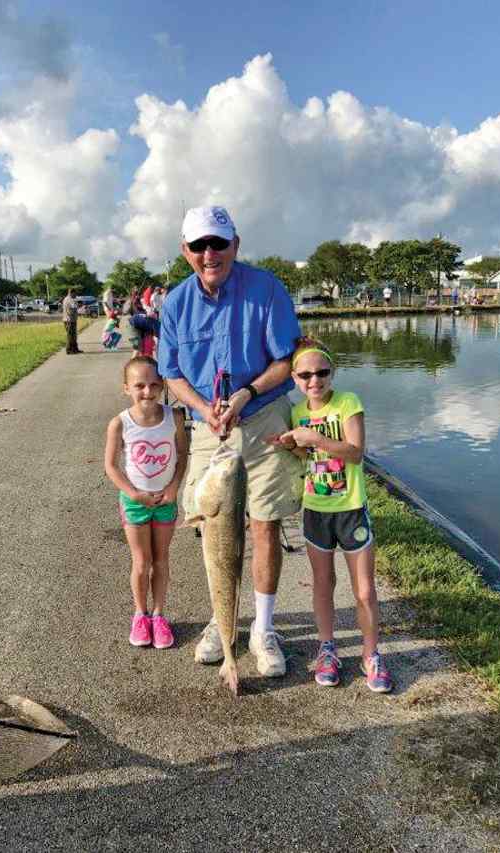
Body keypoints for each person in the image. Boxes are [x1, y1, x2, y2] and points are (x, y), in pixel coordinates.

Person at [157, 205, 303, 678]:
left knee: (263, 523)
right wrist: (203, 410)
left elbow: (286, 361)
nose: (209, 253)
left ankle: (262, 627)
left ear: (235, 244)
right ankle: (222, 627)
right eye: (198, 245)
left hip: (261, 417)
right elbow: (171, 372)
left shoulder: (266, 289)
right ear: (185, 251)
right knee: (210, 527)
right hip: (208, 424)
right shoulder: (176, 302)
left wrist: (245, 393)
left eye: (218, 243)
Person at [267, 337, 393, 692]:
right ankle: (327, 649)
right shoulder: (296, 412)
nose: (314, 381)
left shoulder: (348, 403)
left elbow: (355, 453)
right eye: (305, 375)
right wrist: (291, 446)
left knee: (365, 590)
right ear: (294, 377)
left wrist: (315, 439)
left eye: (321, 373)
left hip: (351, 510)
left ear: (332, 373)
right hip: (316, 512)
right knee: (323, 584)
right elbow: (305, 459)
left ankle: (371, 655)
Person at [104, 355, 188, 649]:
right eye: (139, 385)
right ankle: (140, 614)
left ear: (163, 385)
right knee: (142, 561)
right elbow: (111, 467)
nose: (147, 391)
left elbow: (181, 457)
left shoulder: (174, 418)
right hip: (135, 501)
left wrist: (174, 487)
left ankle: (159, 614)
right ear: (126, 388)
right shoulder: (120, 423)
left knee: (161, 559)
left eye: (154, 384)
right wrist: (133, 493)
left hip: (166, 499)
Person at [62, 288, 81, 354]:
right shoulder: (68, 300)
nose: (76, 295)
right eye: (75, 294)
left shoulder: (70, 299)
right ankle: (69, 350)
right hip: (69, 320)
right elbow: (70, 311)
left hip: (72, 320)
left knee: (74, 335)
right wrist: (76, 308)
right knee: (70, 336)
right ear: (71, 293)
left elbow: (73, 308)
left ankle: (75, 349)